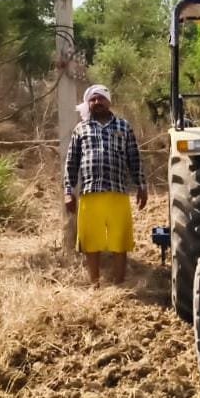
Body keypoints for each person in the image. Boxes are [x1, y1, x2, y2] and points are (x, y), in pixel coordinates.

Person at [64, 84, 148, 284]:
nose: (97, 102)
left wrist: (141, 185)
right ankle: (95, 284)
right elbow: (71, 163)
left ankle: (119, 283)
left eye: (100, 98)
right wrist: (68, 192)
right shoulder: (81, 129)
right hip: (90, 193)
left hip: (117, 192)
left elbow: (134, 159)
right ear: (88, 104)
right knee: (92, 242)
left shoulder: (123, 127)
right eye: (92, 99)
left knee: (120, 241)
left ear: (108, 101)